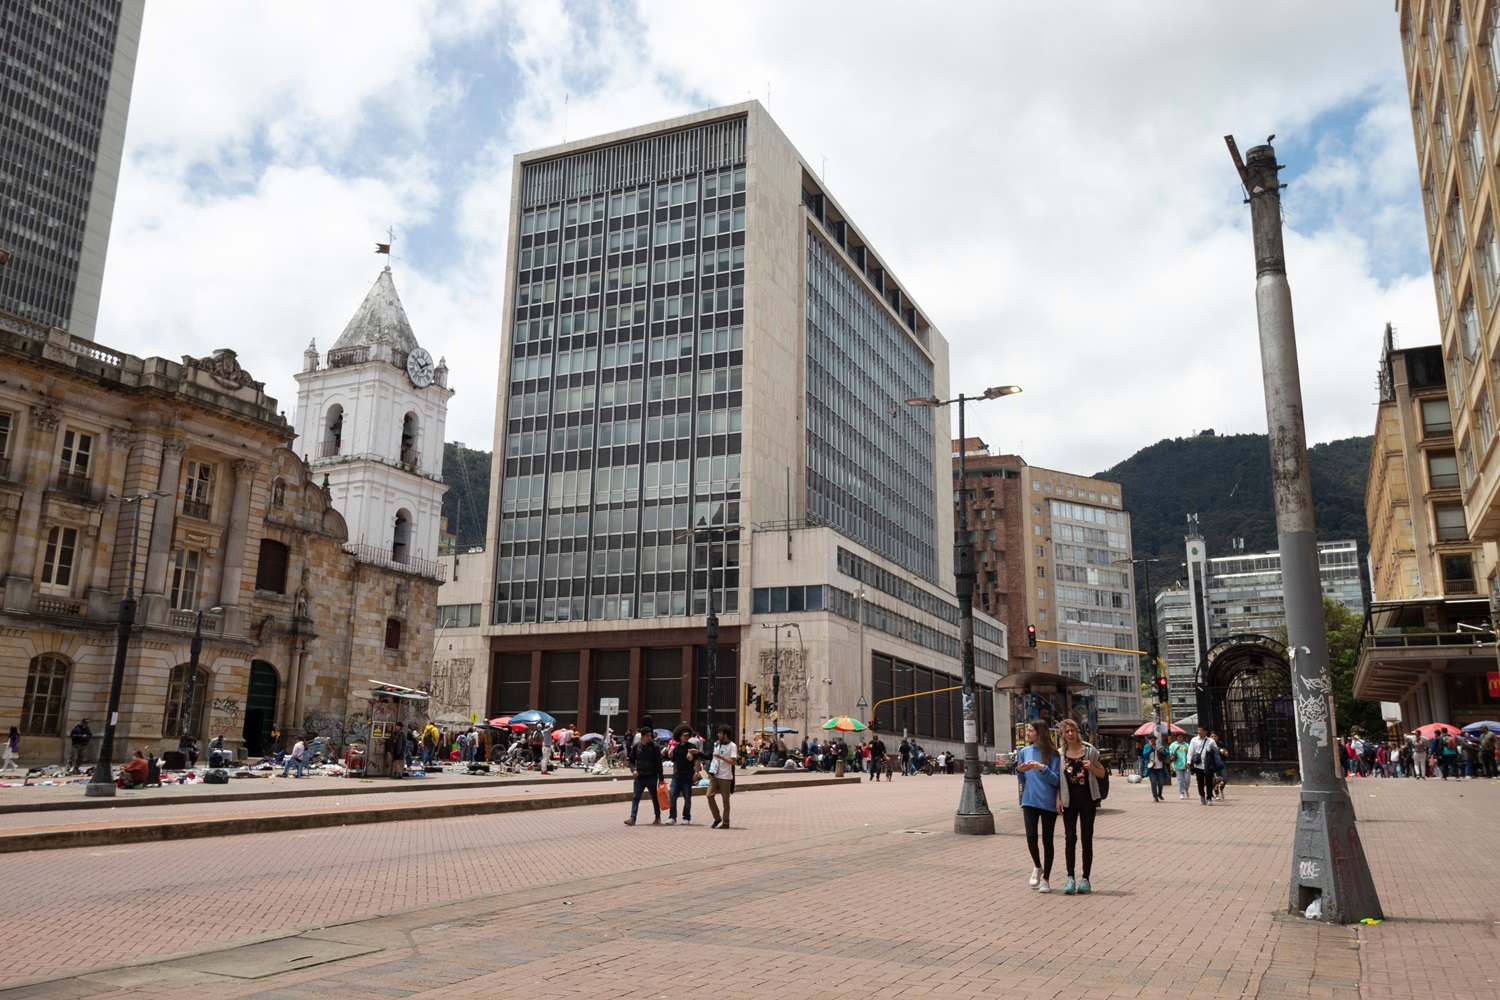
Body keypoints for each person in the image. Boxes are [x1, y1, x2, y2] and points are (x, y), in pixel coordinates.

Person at [1057, 718, 1106, 895]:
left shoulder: (1090, 751)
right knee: (1070, 838)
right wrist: (1058, 799)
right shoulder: (1060, 754)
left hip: (1087, 801)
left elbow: (1102, 773)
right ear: (1062, 735)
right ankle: (1070, 877)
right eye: (1067, 731)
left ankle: (1085, 878)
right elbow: (1057, 781)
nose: (1070, 734)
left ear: (1077, 731)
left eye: (1073, 730)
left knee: (1087, 838)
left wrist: (1091, 767)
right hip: (1068, 801)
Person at [1015, 721, 1060, 894]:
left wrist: (1042, 768)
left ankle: (1046, 879)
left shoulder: (1053, 754)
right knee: (1031, 837)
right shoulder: (1024, 752)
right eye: (1027, 730)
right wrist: (1020, 771)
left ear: (1040, 732)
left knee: (1047, 841)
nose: (1027, 733)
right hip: (1029, 801)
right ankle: (1037, 866)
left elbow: (1056, 780)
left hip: (1048, 803)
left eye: (1030, 730)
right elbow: (1021, 779)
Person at [624, 726, 663, 825]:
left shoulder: (654, 747)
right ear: (642, 736)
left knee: (654, 798)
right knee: (636, 797)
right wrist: (633, 770)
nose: (649, 737)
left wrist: (661, 778)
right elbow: (631, 761)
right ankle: (632, 818)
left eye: (650, 735)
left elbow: (659, 763)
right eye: (647, 736)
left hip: (651, 776)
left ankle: (657, 817)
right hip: (639, 777)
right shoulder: (637, 747)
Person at [705, 724, 737, 829]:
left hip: (726, 777)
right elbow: (711, 756)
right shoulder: (717, 744)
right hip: (715, 774)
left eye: (720, 733)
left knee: (725, 801)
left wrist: (721, 757)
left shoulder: (733, 746)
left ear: (725, 734)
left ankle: (726, 822)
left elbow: (733, 761)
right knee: (709, 795)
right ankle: (717, 817)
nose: (718, 735)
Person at [667, 724, 697, 824]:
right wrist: (674, 773)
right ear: (679, 736)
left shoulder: (692, 747)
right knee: (672, 797)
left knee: (687, 798)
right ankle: (672, 817)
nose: (686, 737)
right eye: (684, 735)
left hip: (687, 777)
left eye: (688, 735)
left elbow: (697, 761)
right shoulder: (676, 748)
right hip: (677, 777)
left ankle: (686, 817)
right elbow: (675, 762)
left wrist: (696, 773)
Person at [1187, 725, 1218, 805]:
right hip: (1198, 764)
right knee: (1200, 782)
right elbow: (1191, 751)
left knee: (1209, 782)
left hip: (1208, 764)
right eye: (1198, 730)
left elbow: (1216, 750)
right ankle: (1202, 796)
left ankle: (1209, 798)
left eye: (1201, 730)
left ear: (1205, 731)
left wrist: (1212, 750)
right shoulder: (1194, 740)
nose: (1199, 732)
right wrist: (1189, 761)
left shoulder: (1210, 741)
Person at [1141, 735, 1167, 802]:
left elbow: (1167, 752)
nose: (1153, 742)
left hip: (1160, 767)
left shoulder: (1159, 745)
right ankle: (1155, 797)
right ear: (1149, 741)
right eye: (1151, 740)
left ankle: (1160, 794)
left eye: (1154, 740)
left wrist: (1162, 751)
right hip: (1151, 767)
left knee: (1160, 782)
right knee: (1153, 782)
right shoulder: (1146, 746)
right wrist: (1151, 748)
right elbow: (1145, 755)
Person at [1168, 732, 1191, 799]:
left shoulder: (1186, 744)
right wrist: (1175, 750)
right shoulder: (1173, 744)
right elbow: (1170, 754)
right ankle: (1181, 793)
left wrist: (1187, 751)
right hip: (1177, 765)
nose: (1180, 738)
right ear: (1176, 737)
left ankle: (1186, 789)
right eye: (1179, 737)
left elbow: (1191, 753)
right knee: (1180, 780)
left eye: (1182, 737)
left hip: (1186, 764)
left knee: (1187, 780)